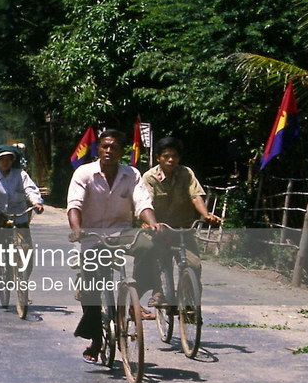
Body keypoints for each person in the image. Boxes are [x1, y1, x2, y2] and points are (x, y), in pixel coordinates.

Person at [67, 129, 160, 363]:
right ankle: (96, 339)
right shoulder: (84, 173)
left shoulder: (132, 174)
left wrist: (152, 223)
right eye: (105, 146)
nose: (109, 151)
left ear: (122, 152)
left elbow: (142, 203)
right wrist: (77, 230)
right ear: (99, 148)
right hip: (91, 236)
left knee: (149, 246)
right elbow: (74, 205)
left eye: (114, 147)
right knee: (91, 287)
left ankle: (135, 296)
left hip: (122, 233)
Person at [141, 136, 222, 308]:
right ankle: (159, 292)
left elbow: (196, 196)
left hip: (183, 230)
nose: (171, 160)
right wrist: (151, 223)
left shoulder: (186, 173)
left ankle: (190, 303)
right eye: (166, 156)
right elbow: (146, 202)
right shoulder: (149, 177)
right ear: (158, 158)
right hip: (160, 229)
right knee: (156, 260)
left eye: (175, 156)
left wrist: (206, 215)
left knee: (194, 265)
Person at [0, 145, 45, 298]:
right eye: (2, 159)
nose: (5, 162)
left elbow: (30, 189)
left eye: (8, 159)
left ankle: (22, 283)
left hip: (19, 215)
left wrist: (37, 202)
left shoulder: (21, 174)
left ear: (12, 161)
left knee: (26, 251)